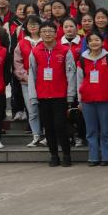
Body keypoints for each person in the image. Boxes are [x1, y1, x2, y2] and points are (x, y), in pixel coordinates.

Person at [28, 21, 77, 166]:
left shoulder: (65, 51)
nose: (47, 34)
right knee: (48, 128)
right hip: (42, 96)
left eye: (50, 31)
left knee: (60, 125)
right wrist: (33, 95)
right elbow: (32, 74)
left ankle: (67, 155)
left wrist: (70, 94)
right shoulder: (35, 51)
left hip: (60, 95)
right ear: (40, 34)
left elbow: (70, 73)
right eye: (44, 31)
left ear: (56, 34)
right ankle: (54, 155)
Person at [76, 32, 108, 166]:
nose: (94, 42)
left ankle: (107, 156)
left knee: (106, 130)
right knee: (91, 130)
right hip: (87, 100)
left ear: (102, 42)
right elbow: (79, 81)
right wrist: (79, 100)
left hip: (105, 99)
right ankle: (93, 157)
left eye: (97, 40)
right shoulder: (82, 60)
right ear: (87, 44)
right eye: (91, 40)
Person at [13, 15, 45, 147]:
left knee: (45, 110)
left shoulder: (46, 41)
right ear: (25, 27)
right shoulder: (21, 43)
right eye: (30, 24)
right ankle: (36, 136)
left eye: (35, 23)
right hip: (26, 82)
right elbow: (17, 62)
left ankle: (47, 135)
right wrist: (25, 77)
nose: (33, 26)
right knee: (32, 111)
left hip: (45, 82)